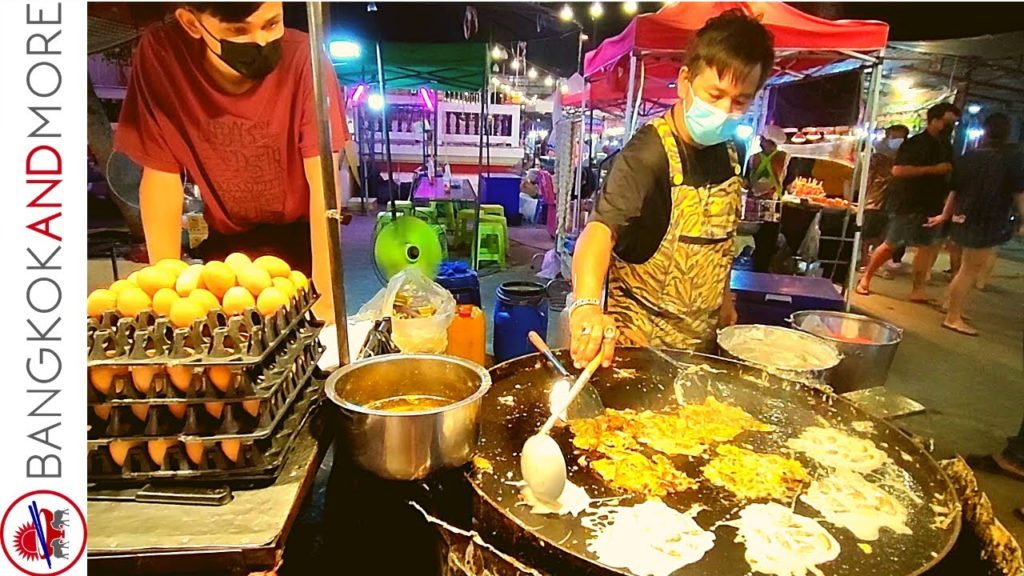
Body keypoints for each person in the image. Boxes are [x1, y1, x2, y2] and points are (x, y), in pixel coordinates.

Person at [114, 2, 350, 322]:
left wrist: (325, 303)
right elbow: (160, 176)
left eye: (271, 23)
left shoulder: (305, 61)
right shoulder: (163, 57)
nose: (261, 41)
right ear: (192, 24)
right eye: (238, 31)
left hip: (302, 239)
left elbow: (324, 187)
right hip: (224, 247)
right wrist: (167, 299)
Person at [569, 10, 774, 367]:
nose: (726, 111)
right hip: (639, 345)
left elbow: (721, 239)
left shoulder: (733, 150)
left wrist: (724, 298)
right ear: (684, 82)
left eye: (740, 101)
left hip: (702, 346)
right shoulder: (647, 154)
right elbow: (600, 230)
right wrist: (585, 305)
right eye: (715, 94)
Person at [926, 113, 1024, 336]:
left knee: (964, 267)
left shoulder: (969, 155)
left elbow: (955, 189)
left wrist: (945, 215)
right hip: (988, 218)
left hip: (962, 215)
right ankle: (953, 316)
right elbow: (1019, 193)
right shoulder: (1011, 157)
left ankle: (949, 306)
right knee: (969, 270)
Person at [856, 103, 960, 302]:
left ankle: (918, 289)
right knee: (891, 244)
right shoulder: (915, 143)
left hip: (932, 203)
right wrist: (932, 169)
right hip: (908, 201)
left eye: (954, 123)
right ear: (935, 120)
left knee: (926, 246)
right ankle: (866, 278)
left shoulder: (947, 146)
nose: (950, 126)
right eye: (947, 122)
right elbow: (898, 171)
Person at [860, 124, 910, 271]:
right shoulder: (877, 156)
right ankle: (864, 261)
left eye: (899, 137)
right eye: (894, 136)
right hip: (875, 198)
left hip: (895, 199)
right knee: (868, 233)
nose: (896, 140)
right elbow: (868, 177)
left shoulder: (905, 157)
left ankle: (876, 263)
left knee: (885, 234)